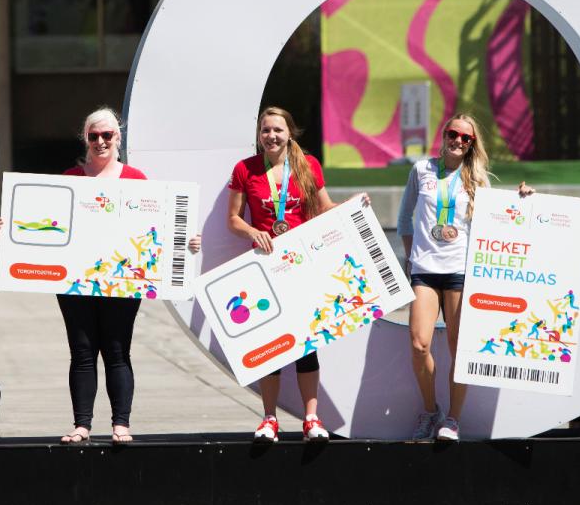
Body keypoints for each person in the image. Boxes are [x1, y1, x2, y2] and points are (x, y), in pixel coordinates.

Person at [57, 106, 201, 444]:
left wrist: (186, 241)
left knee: (117, 352)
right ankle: (82, 425)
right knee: (82, 353)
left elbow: (159, 230)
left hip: (122, 284)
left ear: (118, 138)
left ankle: (121, 423)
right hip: (75, 284)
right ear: (85, 139)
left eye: (107, 135)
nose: (100, 141)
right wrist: (11, 227)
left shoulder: (135, 179)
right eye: (94, 136)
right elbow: (49, 226)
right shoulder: (69, 179)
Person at [226, 106, 365, 443]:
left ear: (290, 133)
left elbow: (323, 209)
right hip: (264, 269)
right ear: (259, 136)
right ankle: (269, 419)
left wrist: (353, 204)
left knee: (306, 346)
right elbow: (233, 219)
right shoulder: (245, 169)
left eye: (277, 130)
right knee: (271, 347)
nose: (271, 136)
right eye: (265, 131)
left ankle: (311, 420)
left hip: (302, 267)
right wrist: (251, 232)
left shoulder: (308, 165)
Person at [398, 114, 532, 442]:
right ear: (443, 135)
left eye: (465, 138)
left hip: (460, 270)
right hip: (425, 271)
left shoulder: (478, 179)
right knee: (419, 344)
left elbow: (501, 219)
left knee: (461, 350)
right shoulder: (421, 170)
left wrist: (523, 199)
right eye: (452, 133)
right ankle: (432, 411)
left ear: (472, 144)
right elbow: (404, 219)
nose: (457, 140)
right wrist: (413, 258)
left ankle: (453, 421)